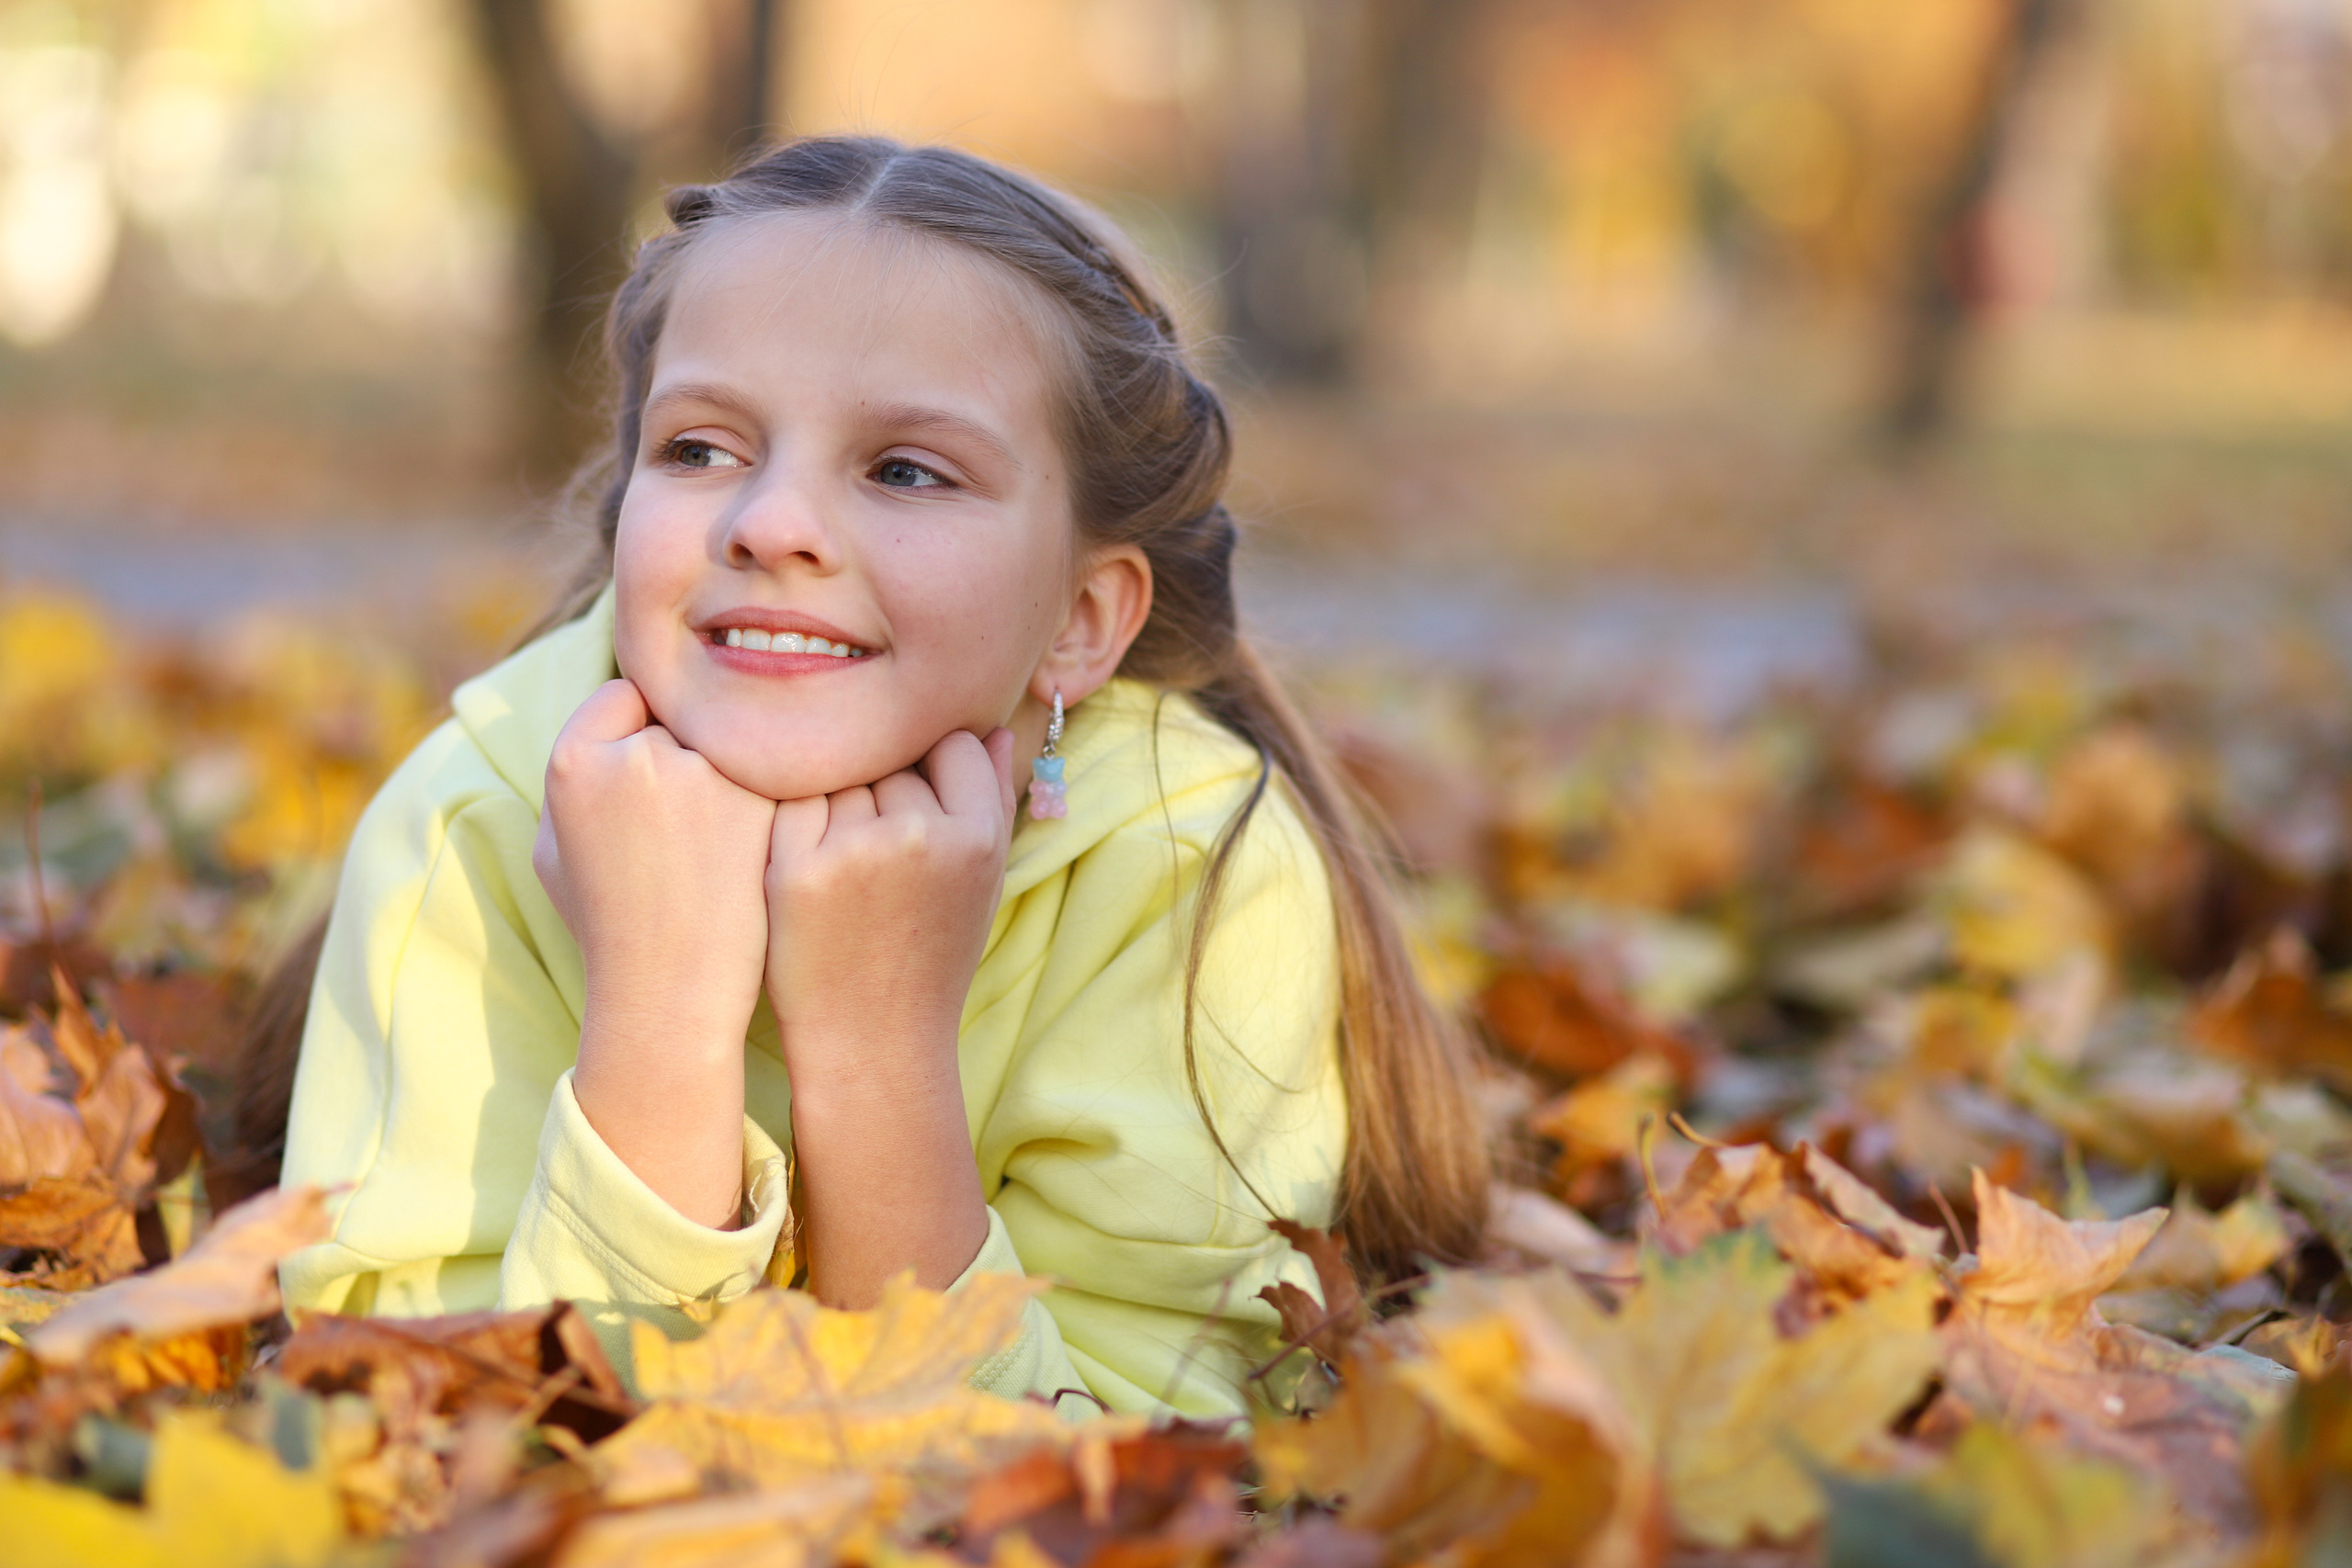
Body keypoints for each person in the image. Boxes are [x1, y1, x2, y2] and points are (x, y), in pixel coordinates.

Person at [272, 136, 1487, 1418]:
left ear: (1082, 616)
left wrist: (877, 1058)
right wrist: (660, 1024)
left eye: (906, 469)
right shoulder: (469, 820)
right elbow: (423, 1441)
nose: (769, 522)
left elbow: (1139, 1475)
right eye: (700, 450)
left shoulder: (1192, 863)